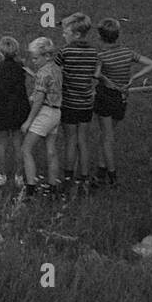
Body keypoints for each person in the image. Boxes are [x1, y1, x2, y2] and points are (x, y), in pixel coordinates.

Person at [92, 18, 152, 187]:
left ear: (100, 37)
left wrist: (106, 80)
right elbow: (151, 64)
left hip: (105, 97)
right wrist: (134, 78)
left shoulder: (101, 56)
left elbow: (96, 74)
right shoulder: (127, 52)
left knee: (107, 138)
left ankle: (112, 176)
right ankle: (100, 171)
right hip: (121, 98)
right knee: (106, 134)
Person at [56, 13, 98, 195]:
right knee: (83, 140)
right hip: (86, 103)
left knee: (70, 141)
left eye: (66, 32)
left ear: (77, 34)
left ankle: (68, 178)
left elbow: (55, 72)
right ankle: (85, 178)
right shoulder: (93, 52)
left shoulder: (65, 52)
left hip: (69, 102)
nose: (63, 35)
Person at [20, 37, 63, 198]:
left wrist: (28, 121)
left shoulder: (43, 73)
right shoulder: (56, 69)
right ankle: (53, 186)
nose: (34, 61)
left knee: (26, 149)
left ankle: (30, 188)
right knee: (51, 150)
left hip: (44, 112)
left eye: (36, 58)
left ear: (47, 56)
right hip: (56, 112)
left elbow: (38, 100)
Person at [0, 36, 30, 187]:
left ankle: (2, 176)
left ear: (0, 51)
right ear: (16, 51)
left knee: (1, 144)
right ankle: (19, 176)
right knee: (18, 144)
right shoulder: (21, 67)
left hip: (1, 108)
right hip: (18, 107)